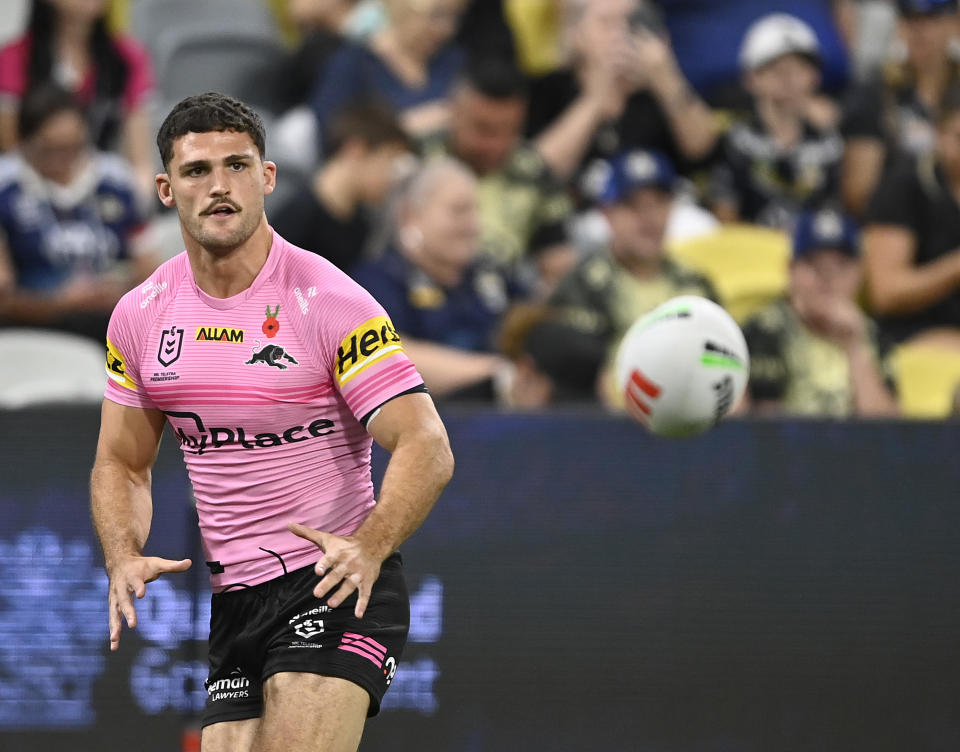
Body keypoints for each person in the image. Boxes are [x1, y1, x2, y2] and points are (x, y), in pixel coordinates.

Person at [89, 92, 454, 751]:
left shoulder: (332, 301)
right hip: (236, 602)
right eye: (198, 171)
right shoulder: (140, 317)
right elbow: (122, 461)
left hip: (335, 578)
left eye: (237, 165)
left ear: (268, 177)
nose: (220, 186)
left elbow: (426, 444)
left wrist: (371, 547)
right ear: (167, 190)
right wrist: (121, 553)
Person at [549, 148, 718, 403]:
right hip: (610, 430)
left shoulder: (696, 282)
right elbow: (578, 380)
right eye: (632, 205)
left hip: (693, 422)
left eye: (659, 202)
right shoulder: (583, 286)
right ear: (606, 214)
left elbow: (723, 361)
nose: (649, 218)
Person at [352, 157, 520, 400]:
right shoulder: (377, 280)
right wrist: (496, 373)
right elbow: (383, 356)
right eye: (459, 210)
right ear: (411, 216)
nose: (473, 225)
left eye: (476, 210)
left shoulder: (490, 276)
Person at [0, 84, 157, 342]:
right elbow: (3, 300)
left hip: (110, 321)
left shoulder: (115, 181)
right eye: (52, 150)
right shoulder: (6, 188)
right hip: (31, 332)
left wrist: (116, 292)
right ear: (24, 145)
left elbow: (151, 276)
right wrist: (60, 303)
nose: (66, 160)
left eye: (75, 147)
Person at [420, 59, 575, 291]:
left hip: (502, 304)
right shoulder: (418, 162)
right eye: (484, 130)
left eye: (510, 131)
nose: (496, 145)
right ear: (453, 111)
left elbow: (558, 266)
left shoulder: (534, 173)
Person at [525, 0, 718, 185]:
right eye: (607, 23)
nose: (622, 34)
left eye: (631, 21)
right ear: (575, 34)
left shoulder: (654, 91)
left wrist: (667, 79)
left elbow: (702, 151)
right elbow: (537, 170)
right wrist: (595, 100)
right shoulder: (546, 90)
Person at [742, 207, 899, 417]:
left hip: (858, 450)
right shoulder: (762, 330)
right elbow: (764, 430)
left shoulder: (875, 337)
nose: (827, 277)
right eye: (814, 264)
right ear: (790, 270)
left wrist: (854, 348)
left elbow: (889, 435)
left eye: (841, 265)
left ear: (860, 274)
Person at [0, 0, 156, 202]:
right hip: (32, 194)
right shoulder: (13, 58)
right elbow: (14, 152)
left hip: (101, 195)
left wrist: (135, 206)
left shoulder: (127, 58)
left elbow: (141, 162)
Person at [707, 13, 844, 231]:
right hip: (752, 257)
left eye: (799, 68)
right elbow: (725, 220)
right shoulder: (734, 140)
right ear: (750, 79)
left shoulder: (829, 141)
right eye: (775, 69)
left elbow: (836, 214)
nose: (789, 79)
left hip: (813, 256)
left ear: (815, 76)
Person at [862, 85, 960, 352]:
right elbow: (886, 293)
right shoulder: (905, 185)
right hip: (913, 334)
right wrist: (955, 268)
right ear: (938, 134)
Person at [841, 0, 960, 217]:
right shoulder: (877, 94)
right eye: (909, 19)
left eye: (931, 20)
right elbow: (859, 194)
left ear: (954, 24)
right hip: (895, 223)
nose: (919, 31)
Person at [272, 100, 413, 271]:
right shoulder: (293, 219)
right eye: (390, 161)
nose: (392, 177)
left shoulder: (361, 227)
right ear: (355, 150)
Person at [309, 0, 467, 142]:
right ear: (405, 8)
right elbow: (330, 134)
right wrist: (404, 128)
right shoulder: (353, 64)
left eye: (455, 17)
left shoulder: (452, 60)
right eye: (437, 15)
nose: (447, 29)